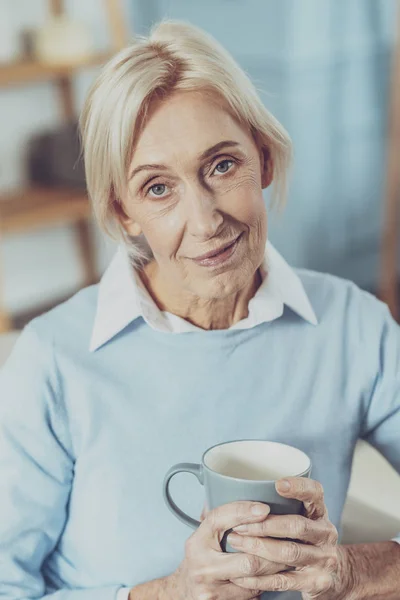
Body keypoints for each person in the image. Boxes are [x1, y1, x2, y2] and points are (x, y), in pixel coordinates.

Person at [0, 19, 399, 600]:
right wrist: (167, 594)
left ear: (262, 160)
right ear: (125, 211)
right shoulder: (52, 359)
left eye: (221, 166)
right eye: (158, 188)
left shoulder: (356, 327)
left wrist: (353, 572)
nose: (207, 221)